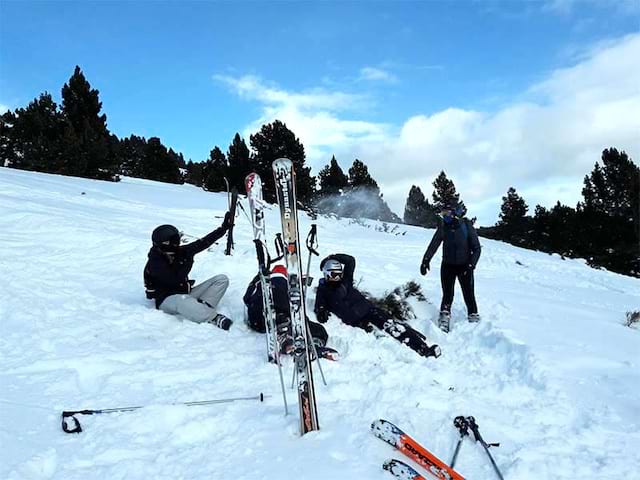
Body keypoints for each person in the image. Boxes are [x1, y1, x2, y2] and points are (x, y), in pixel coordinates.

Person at [314, 253, 440, 358]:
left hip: (369, 310)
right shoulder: (324, 290)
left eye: (339, 273)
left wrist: (332, 257)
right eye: (334, 274)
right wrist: (321, 310)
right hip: (355, 320)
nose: (338, 277)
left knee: (393, 327)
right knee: (382, 337)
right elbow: (319, 304)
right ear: (327, 274)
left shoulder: (346, 280)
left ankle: (423, 348)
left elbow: (350, 261)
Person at [144, 213, 233, 330]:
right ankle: (212, 317)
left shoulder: (177, 251)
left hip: (185, 293)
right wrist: (188, 260)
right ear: (166, 243)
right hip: (166, 299)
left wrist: (223, 229)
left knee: (221, 279)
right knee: (182, 301)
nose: (178, 242)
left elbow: (202, 243)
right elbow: (175, 279)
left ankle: (201, 307)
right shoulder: (156, 261)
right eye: (175, 240)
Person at [243, 264, 332, 361]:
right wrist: (305, 322)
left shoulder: (261, 282)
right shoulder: (289, 285)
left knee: (275, 312)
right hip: (281, 316)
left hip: (258, 320)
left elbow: (246, 299)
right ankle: (313, 342)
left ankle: (284, 340)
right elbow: (297, 308)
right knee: (318, 330)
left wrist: (255, 280)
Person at [420, 203, 481, 332]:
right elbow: (434, 244)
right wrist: (426, 260)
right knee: (447, 294)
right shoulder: (443, 227)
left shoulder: (466, 225)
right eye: (442, 214)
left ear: (454, 213)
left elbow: (476, 248)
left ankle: (473, 315)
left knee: (469, 293)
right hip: (447, 265)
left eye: (446, 213)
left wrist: (471, 265)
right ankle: (444, 316)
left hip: (465, 266)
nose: (444, 216)